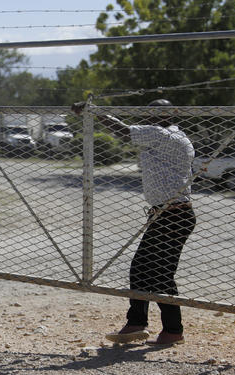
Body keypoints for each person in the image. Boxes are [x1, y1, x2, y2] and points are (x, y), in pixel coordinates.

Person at [72, 98, 196, 346]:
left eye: (153, 112)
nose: (148, 116)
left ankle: (170, 330)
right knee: (144, 269)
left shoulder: (161, 134)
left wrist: (96, 113)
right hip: (168, 213)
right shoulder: (177, 136)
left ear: (165, 115)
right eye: (147, 111)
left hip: (172, 214)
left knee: (158, 273)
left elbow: (123, 132)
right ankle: (140, 323)